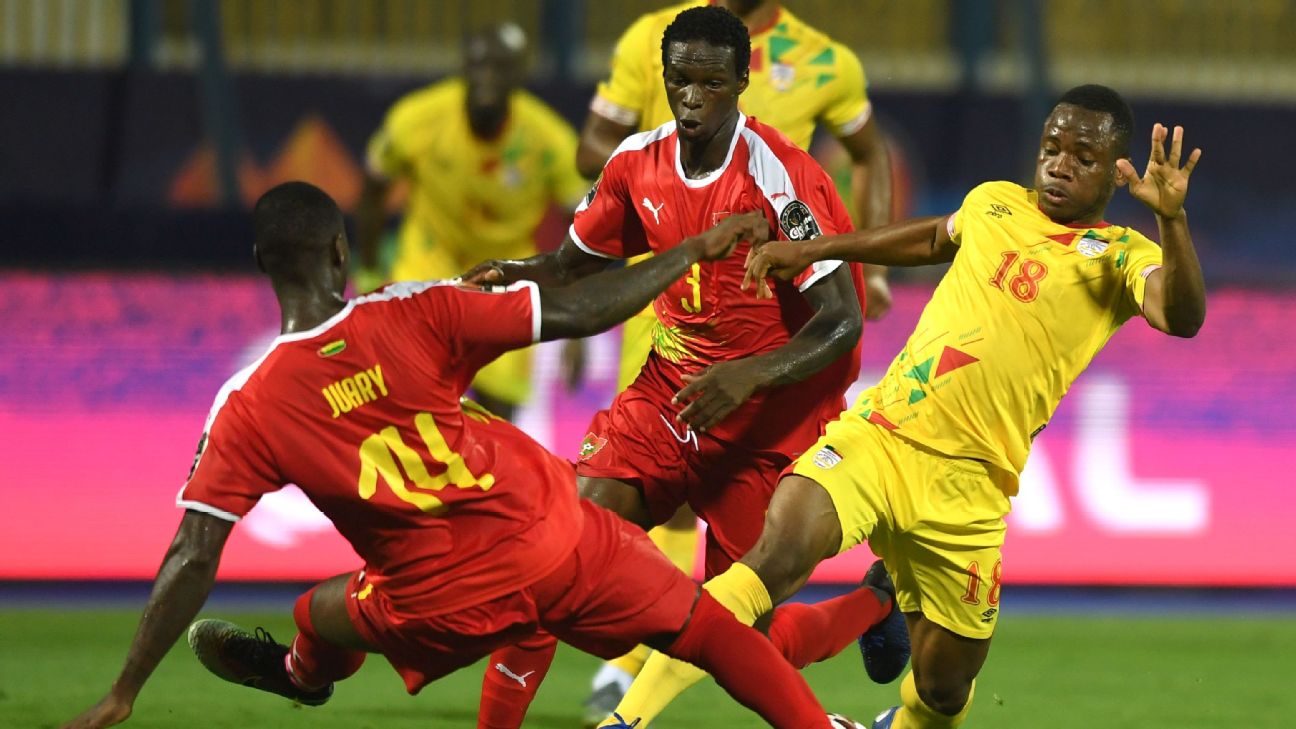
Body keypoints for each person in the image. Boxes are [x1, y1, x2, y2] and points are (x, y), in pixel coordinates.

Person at [59, 181, 849, 729]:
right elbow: (577, 310)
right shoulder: (414, 309)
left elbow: (194, 554)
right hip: (561, 534)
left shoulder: (247, 404)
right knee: (716, 633)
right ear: (342, 252)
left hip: (441, 597)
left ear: (266, 265)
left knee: (315, 613)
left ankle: (300, 675)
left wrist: (124, 691)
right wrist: (693, 250)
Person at [692, 85, 1202, 728]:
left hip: (975, 490)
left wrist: (1173, 221)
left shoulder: (1123, 255)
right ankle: (627, 713)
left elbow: (1180, 316)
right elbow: (936, 237)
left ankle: (879, 622)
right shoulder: (993, 203)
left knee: (943, 690)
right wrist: (817, 248)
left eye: (1082, 157)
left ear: (1115, 171)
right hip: (887, 435)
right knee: (770, 566)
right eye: (1051, 148)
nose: (1059, 164)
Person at [462, 7, 908, 727]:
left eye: (710, 82)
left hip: (769, 416)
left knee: (737, 645)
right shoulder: (636, 162)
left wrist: (752, 375)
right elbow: (576, 264)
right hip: (671, 396)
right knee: (556, 550)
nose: (693, 97)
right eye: (680, 81)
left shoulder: (782, 180)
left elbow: (842, 320)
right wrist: (514, 274)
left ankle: (877, 602)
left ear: (741, 80)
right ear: (662, 78)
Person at [354, 23, 588, 421]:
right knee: (410, 397)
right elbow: (373, 191)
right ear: (463, 67)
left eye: (500, 67)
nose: (487, 77)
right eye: (479, 65)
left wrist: (577, 326)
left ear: (519, 75)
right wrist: (368, 274)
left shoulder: (550, 141)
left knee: (498, 415)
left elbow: (583, 227)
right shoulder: (418, 119)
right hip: (430, 262)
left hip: (507, 273)